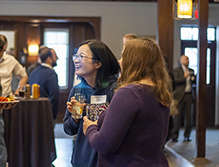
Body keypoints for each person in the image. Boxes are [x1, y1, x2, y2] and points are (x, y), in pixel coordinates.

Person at [83, 38, 171, 167]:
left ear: (134, 61)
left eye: (123, 56)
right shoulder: (159, 92)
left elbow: (104, 144)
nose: (119, 61)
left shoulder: (129, 94)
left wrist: (89, 128)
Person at [63, 39, 119, 167]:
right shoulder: (78, 90)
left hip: (108, 158)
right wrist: (76, 116)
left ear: (98, 63)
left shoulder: (115, 89)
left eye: (81, 57)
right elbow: (68, 129)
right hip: (82, 157)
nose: (76, 60)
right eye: (76, 56)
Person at [0, 34, 28, 167]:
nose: (3, 52)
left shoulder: (10, 60)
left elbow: (24, 76)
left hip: (7, 105)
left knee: (4, 140)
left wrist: (18, 90)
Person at [29, 47, 59, 126]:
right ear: (49, 59)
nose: (57, 58)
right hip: (47, 113)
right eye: (54, 56)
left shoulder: (33, 72)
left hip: (33, 112)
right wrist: (52, 114)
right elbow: (54, 96)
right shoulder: (51, 74)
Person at [171, 55, 196, 142]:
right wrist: (184, 77)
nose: (188, 61)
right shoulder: (177, 70)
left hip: (189, 95)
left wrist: (193, 78)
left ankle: (187, 135)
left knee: (189, 117)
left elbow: (195, 81)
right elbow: (176, 80)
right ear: (181, 61)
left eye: (188, 59)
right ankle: (174, 136)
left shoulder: (191, 71)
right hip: (179, 95)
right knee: (177, 116)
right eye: (186, 59)